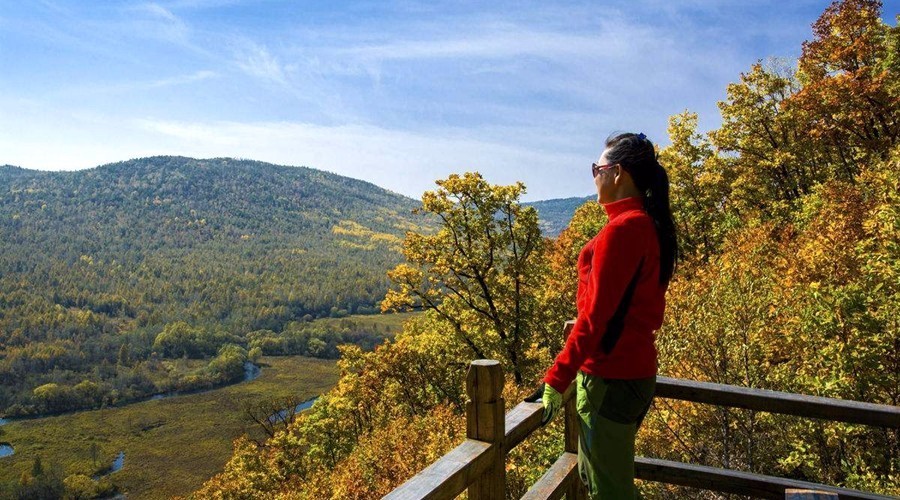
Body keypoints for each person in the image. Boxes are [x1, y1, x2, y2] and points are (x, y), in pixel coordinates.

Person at [540, 132, 678, 499]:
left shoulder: (624, 229)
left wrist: (556, 378)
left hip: (611, 377)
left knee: (609, 491)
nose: (594, 176)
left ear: (617, 173)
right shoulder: (644, 224)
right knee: (600, 478)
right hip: (633, 373)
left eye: (596, 169)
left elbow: (596, 317)